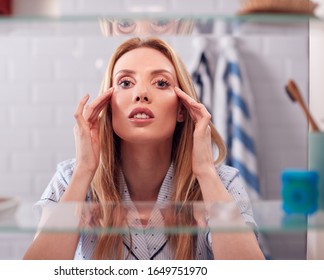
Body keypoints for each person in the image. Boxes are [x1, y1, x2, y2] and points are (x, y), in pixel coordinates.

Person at [23, 36, 265, 260]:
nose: (141, 94)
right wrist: (84, 170)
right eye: (125, 82)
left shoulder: (222, 182)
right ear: (108, 105)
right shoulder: (69, 179)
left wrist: (204, 171)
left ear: (182, 108)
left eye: (161, 83)